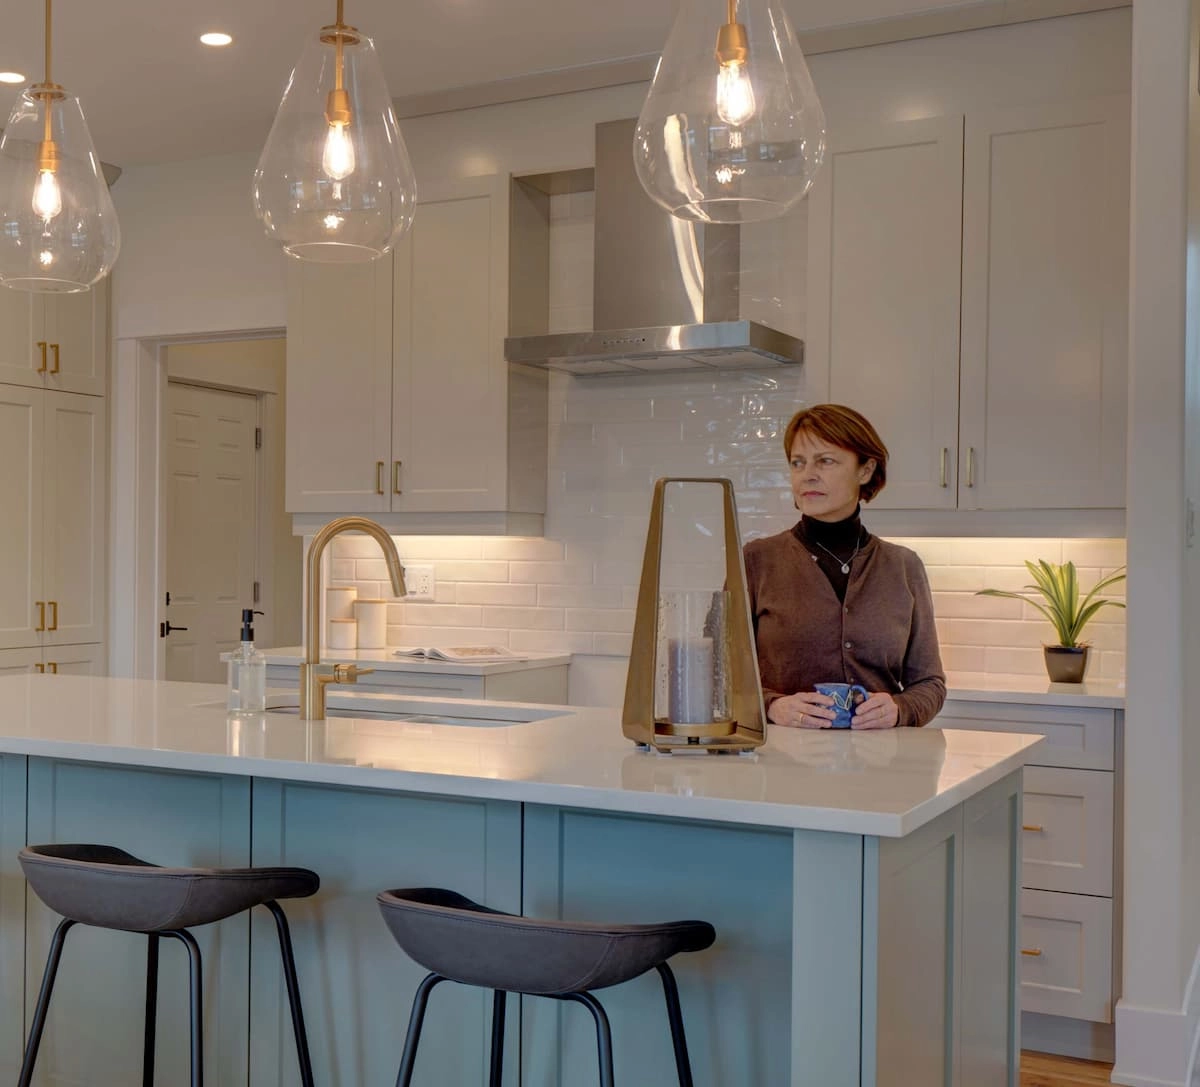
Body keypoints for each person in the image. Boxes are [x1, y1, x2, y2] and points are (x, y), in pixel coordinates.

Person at [743, 404, 945, 729]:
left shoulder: (904, 567)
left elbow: (930, 683)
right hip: (783, 755)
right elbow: (719, 673)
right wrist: (772, 706)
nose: (808, 474)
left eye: (825, 461)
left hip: (884, 756)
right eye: (798, 462)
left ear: (865, 471)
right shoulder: (756, 560)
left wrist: (898, 708)